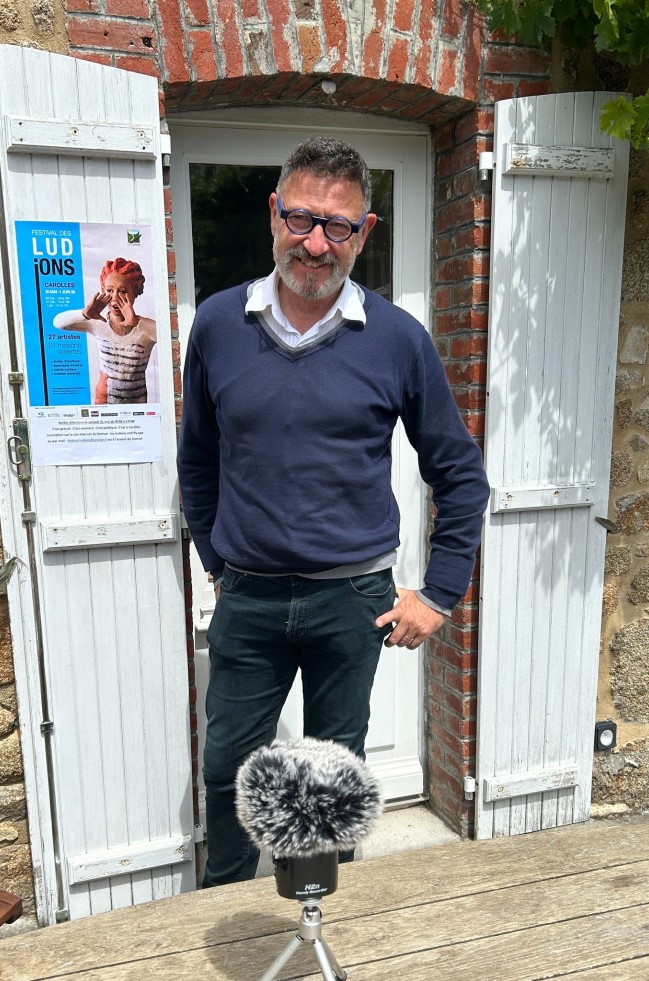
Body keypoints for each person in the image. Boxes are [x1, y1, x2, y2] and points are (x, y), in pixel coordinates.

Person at [177, 137, 490, 888]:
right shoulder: (218, 324)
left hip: (352, 600)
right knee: (227, 765)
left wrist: (439, 594)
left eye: (337, 226)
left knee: (330, 775)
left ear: (364, 231)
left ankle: (314, 911)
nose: (315, 243)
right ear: (273, 214)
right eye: (301, 218)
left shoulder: (397, 340)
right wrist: (219, 561)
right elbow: (198, 460)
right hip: (248, 595)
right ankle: (218, 907)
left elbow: (459, 473)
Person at [53, 257, 157, 404]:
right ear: (103, 290)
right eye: (109, 290)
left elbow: (168, 337)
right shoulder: (98, 323)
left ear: (135, 292)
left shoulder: (144, 328)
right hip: (104, 403)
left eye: (123, 291)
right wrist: (84, 314)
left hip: (136, 406)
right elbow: (58, 323)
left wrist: (137, 323)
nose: (115, 298)